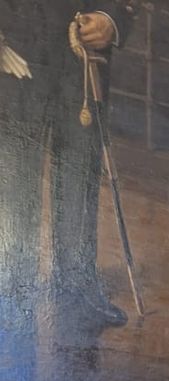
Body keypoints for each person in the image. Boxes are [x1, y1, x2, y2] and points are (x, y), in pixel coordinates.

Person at [0, 0, 135, 348]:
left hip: (80, 68)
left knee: (79, 186)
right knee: (14, 191)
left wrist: (110, 19)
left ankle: (76, 293)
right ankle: (12, 298)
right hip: (12, 61)